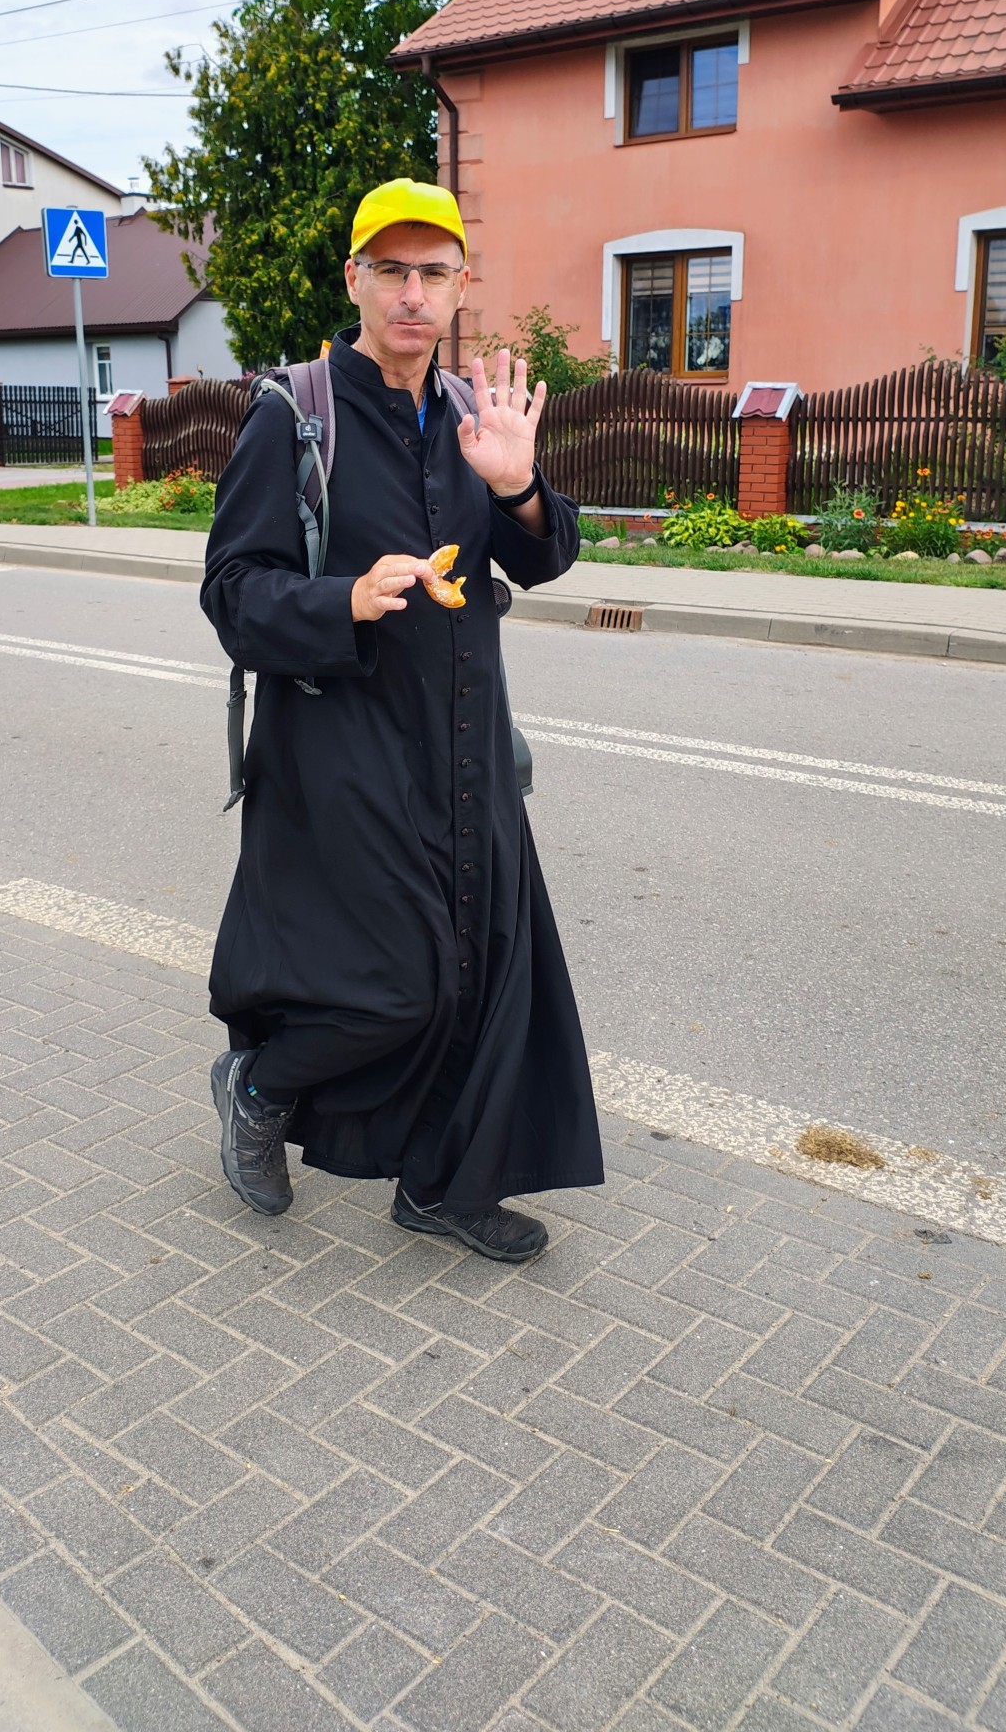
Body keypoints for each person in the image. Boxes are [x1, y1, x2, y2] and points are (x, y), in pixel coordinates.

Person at [201, 178, 603, 1261]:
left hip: (466, 747)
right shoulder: (294, 416)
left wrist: (517, 489)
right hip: (339, 751)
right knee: (400, 983)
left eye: (434, 272)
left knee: (483, 974)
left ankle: (441, 1188)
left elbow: (545, 556)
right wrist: (341, 599)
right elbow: (232, 594)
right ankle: (259, 1085)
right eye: (392, 270)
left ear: (462, 285)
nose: (413, 294)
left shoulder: (474, 416)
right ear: (356, 280)